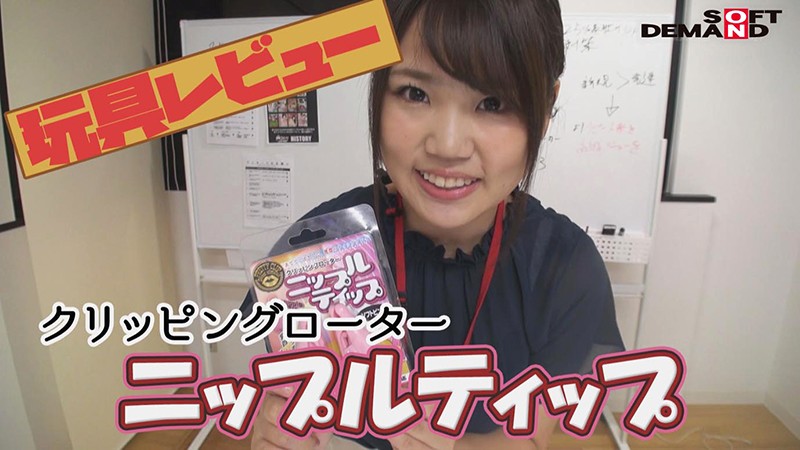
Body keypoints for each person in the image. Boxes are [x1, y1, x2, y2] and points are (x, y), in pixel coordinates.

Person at [245, 0, 624, 448]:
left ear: (545, 109)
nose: (447, 145)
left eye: (493, 102)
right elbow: (292, 396)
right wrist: (276, 432)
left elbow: (537, 439)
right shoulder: (318, 251)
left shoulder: (564, 268)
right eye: (415, 93)